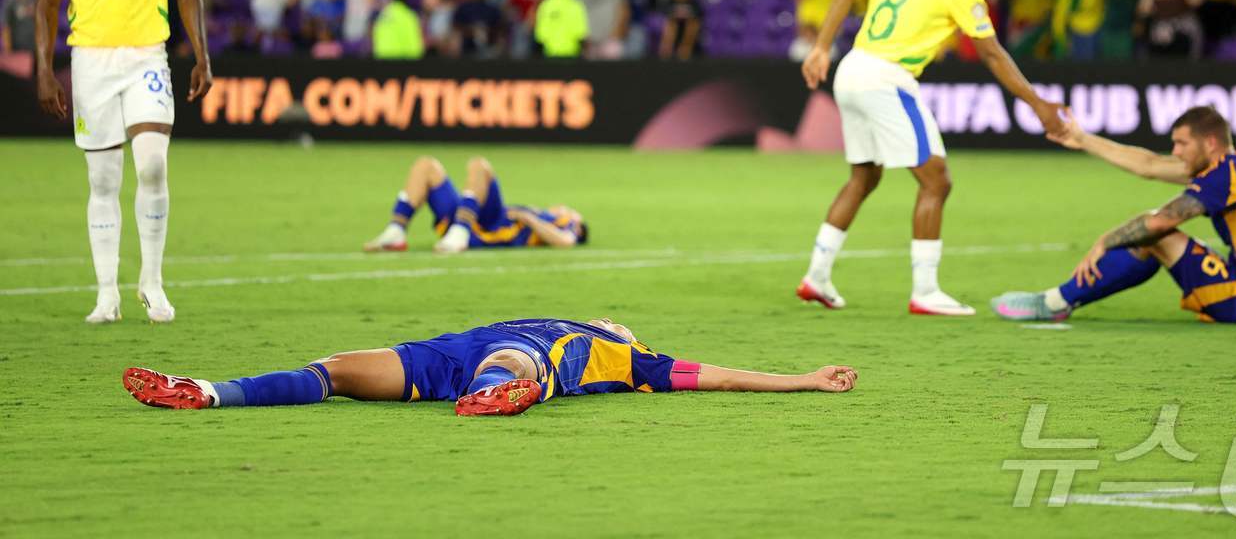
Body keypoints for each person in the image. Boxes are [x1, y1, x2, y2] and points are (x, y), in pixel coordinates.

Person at [797, 0, 1064, 315]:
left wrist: (820, 48)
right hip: (888, 77)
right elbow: (992, 54)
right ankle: (925, 290)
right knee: (936, 180)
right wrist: (1038, 103)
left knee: (864, 178)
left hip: (852, 66)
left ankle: (817, 275)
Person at [34, 0, 212, 324]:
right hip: (91, 61)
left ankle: (152, 283)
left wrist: (201, 56)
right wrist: (45, 70)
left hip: (147, 58)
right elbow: (47, 4)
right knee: (104, 178)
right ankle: (106, 293)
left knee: (152, 166)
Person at [122, 316, 858, 416]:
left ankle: (502, 394)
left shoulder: (629, 357)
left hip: (523, 359)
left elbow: (721, 375)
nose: (616, 319)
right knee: (335, 368)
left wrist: (803, 378)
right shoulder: (551, 312)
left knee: (515, 359)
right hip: (443, 352)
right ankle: (208, 391)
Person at [993, 106, 1236, 325]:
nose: (1176, 152)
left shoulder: (1223, 178)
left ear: (1209, 143)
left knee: (1156, 234)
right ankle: (1061, 300)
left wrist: (1105, 241)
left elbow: (1160, 221)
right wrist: (1083, 139)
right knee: (1152, 232)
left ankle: (1055, 302)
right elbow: (1150, 165)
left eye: (1182, 143)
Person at [364, 154, 586, 254]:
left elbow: (565, 243)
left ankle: (460, 232)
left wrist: (529, 218)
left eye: (572, 210)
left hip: (492, 224)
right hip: (470, 214)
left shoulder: (566, 223)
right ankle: (396, 232)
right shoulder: (543, 213)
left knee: (480, 165)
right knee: (426, 165)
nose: (565, 207)